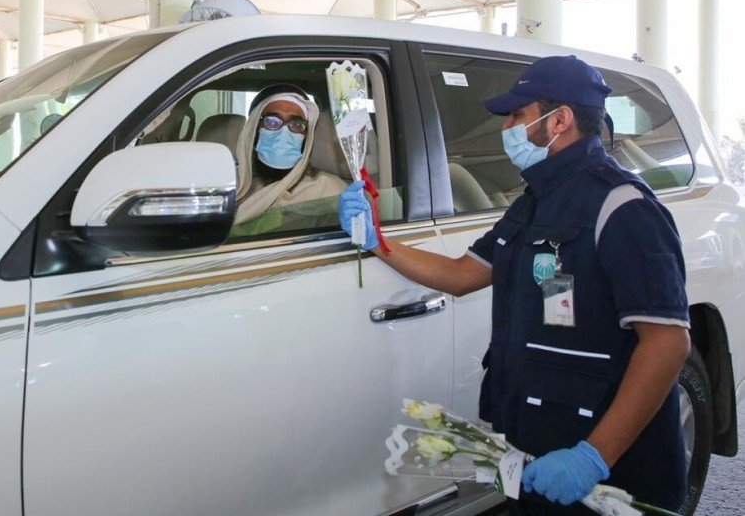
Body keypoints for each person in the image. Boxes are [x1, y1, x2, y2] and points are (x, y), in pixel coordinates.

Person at [338, 55, 690, 514]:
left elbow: (667, 343)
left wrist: (594, 456)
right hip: (537, 445)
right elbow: (462, 275)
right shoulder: (534, 204)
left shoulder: (622, 207)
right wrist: (378, 241)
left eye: (517, 116)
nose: (506, 128)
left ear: (559, 120)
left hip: (607, 467)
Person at [231, 84, 347, 234]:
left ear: (307, 136)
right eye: (271, 121)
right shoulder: (226, 183)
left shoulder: (329, 192)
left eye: (296, 124)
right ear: (254, 129)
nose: (284, 133)